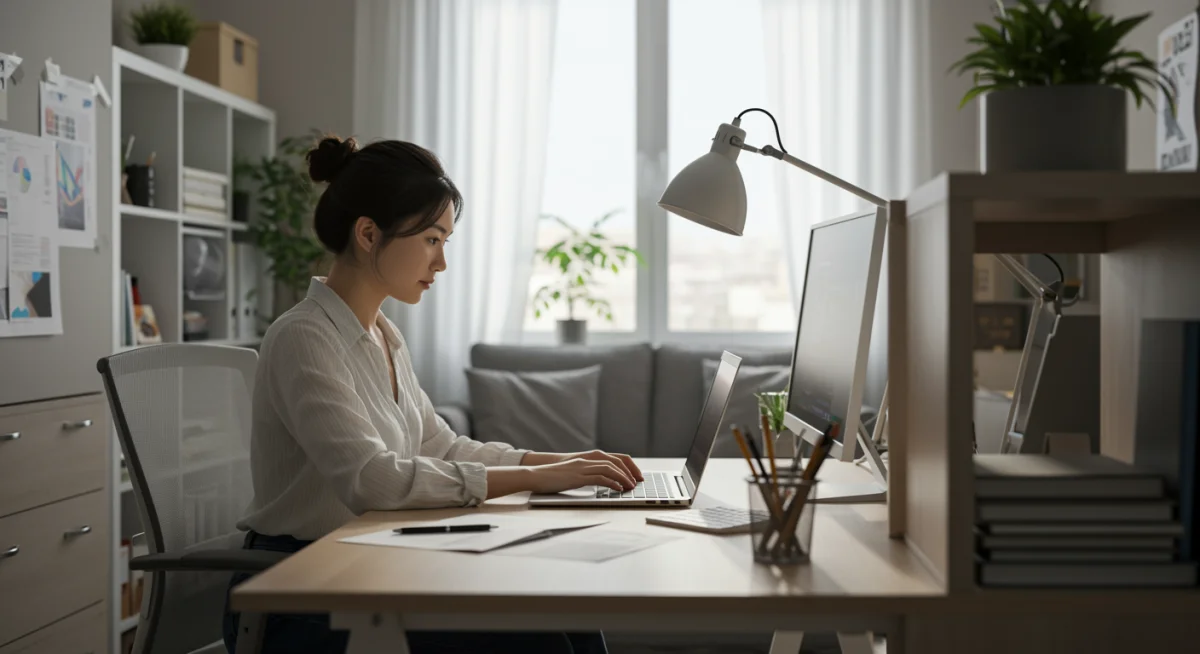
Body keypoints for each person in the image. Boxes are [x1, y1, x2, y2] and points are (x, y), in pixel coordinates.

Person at [222, 136, 640, 654]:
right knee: (541, 639)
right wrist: (535, 477)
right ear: (369, 234)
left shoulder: (384, 335)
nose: (440, 263)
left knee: (569, 613)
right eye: (431, 240)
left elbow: (441, 446)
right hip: (300, 591)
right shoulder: (302, 337)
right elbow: (372, 480)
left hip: (370, 567)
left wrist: (562, 463)